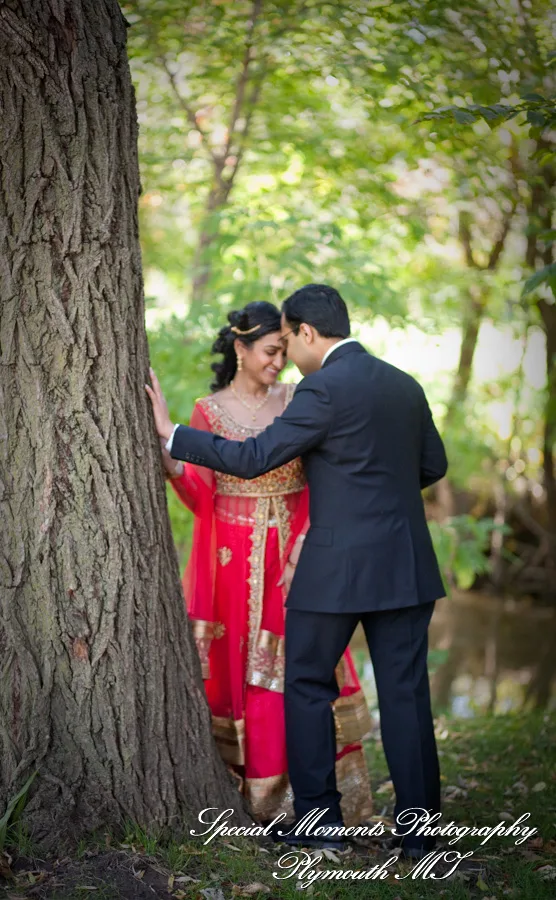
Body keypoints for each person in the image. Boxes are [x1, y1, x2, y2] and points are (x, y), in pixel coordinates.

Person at [147, 285, 447, 859]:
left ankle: (320, 824)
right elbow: (432, 463)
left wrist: (172, 435)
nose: (288, 352)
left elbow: (256, 458)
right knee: (407, 697)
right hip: (406, 565)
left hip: (331, 569)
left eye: (289, 340)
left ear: (308, 333)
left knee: (307, 687)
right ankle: (420, 833)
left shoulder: (321, 391)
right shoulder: (403, 384)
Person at [156, 301, 373, 827]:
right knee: (238, 670)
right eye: (271, 351)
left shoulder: (300, 398)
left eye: (284, 350)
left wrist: (306, 539)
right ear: (240, 348)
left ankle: (305, 797)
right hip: (228, 562)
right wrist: (166, 441)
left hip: (296, 553)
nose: (280, 361)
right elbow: (197, 491)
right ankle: (250, 793)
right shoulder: (208, 411)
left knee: (292, 668)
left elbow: (323, 477)